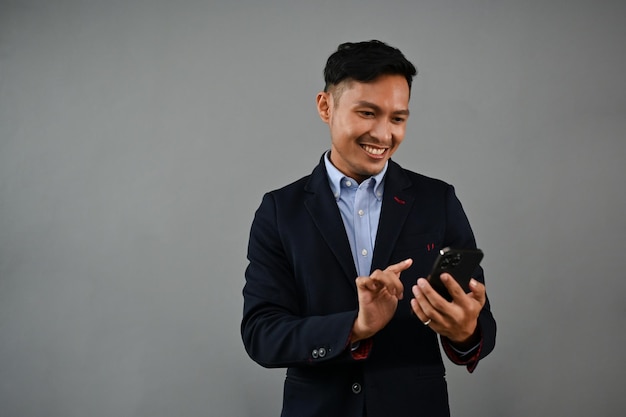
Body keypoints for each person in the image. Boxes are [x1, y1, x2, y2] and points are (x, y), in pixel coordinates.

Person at [241, 40, 496, 417]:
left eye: (397, 119)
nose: (383, 134)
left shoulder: (437, 200)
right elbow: (262, 334)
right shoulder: (280, 211)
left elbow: (480, 325)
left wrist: (465, 331)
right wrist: (356, 327)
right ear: (326, 107)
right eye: (367, 113)